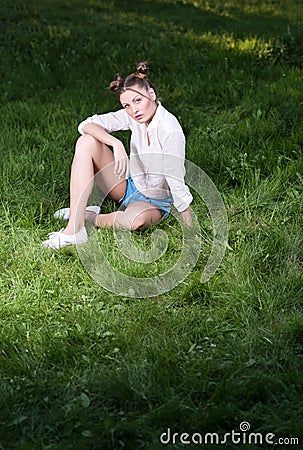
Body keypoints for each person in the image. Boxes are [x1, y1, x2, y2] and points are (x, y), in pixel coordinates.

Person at [42, 62, 193, 249]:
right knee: (86, 142)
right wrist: (115, 143)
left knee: (135, 222)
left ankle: (88, 216)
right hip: (127, 186)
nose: (134, 110)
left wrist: (189, 223)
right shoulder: (133, 116)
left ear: (151, 94)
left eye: (138, 101)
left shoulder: (170, 130)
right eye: (127, 105)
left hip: (155, 202)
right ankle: (75, 228)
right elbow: (87, 124)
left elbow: (175, 177)